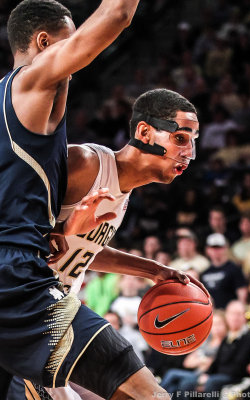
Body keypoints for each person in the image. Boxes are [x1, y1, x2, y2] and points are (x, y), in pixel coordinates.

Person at [7, 87, 208, 399]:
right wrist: (63, 228)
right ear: (144, 131)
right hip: (32, 307)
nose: (189, 153)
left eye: (193, 142)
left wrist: (153, 270)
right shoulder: (86, 164)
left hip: (48, 315)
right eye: (180, 139)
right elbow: (17, 228)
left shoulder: (122, 196)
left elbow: (86, 251)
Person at [0, 0, 157, 398]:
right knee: (145, 393)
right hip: (17, 281)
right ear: (42, 41)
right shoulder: (30, 83)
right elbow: (117, 14)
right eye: (70, 45)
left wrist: (65, 230)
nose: (79, 60)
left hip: (18, 269)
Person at [201, 233, 247, 309]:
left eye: (219, 247)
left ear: (225, 248)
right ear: (207, 250)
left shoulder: (235, 269)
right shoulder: (204, 273)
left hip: (229, 314)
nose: (216, 250)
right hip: (211, 313)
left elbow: (242, 293)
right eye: (213, 247)